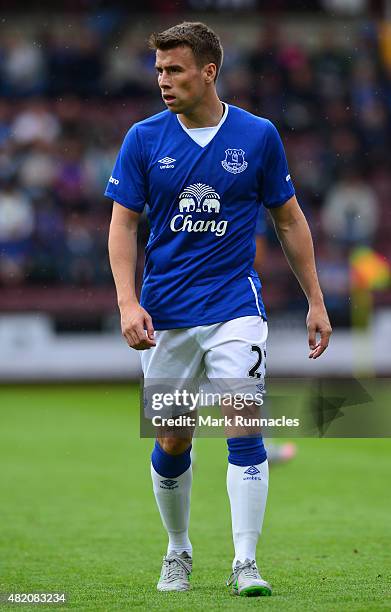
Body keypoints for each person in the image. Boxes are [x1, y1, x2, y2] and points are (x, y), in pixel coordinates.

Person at [106, 21, 331, 597]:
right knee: (174, 438)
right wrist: (128, 302)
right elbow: (123, 225)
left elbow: (289, 219)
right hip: (165, 316)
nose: (163, 80)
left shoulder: (257, 136)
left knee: (243, 423)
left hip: (236, 306)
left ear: (209, 71)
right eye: (158, 70)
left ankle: (246, 562)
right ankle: (178, 550)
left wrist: (315, 300)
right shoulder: (143, 138)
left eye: (174, 69)